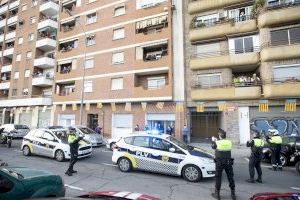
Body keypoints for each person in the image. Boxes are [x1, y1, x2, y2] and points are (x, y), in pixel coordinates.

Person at [211, 129, 236, 200]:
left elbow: (213, 146)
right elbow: (224, 144)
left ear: (219, 136)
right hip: (228, 162)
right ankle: (233, 194)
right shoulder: (229, 142)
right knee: (230, 177)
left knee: (218, 177)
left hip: (220, 162)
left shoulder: (217, 142)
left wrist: (213, 140)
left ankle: (217, 194)